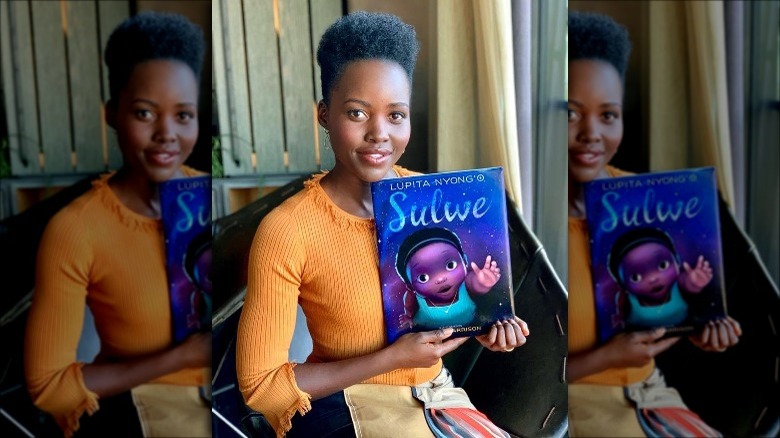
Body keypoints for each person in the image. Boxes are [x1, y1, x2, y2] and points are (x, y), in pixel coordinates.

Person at [236, 11, 528, 438]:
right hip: (345, 407)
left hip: (436, 401)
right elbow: (262, 386)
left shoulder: (437, 202)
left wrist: (486, 327)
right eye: (357, 114)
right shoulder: (288, 229)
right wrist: (391, 359)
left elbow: (457, 303)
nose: (379, 134)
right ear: (323, 114)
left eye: (396, 115)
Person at [24, 12, 210, 438]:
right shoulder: (76, 229)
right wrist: (180, 358)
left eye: (183, 115)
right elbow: (49, 386)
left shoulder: (207, 198)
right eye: (145, 113)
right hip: (143, 407)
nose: (167, 133)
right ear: (112, 114)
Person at [567, 10, 742, 437]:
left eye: (608, 115)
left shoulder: (649, 202)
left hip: (651, 398)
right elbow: (519, 375)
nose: (592, 133)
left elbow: (674, 303)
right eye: (570, 113)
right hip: (575, 409)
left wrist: (702, 327)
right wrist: (608, 358)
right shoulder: (525, 222)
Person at [396, 227, 499, 330]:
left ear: (464, 261)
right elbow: (408, 305)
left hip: (470, 329)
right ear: (411, 286)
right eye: (423, 278)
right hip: (429, 334)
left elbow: (474, 283)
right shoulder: (414, 296)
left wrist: (483, 283)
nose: (440, 279)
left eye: (450, 265)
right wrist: (408, 316)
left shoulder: (463, 284)